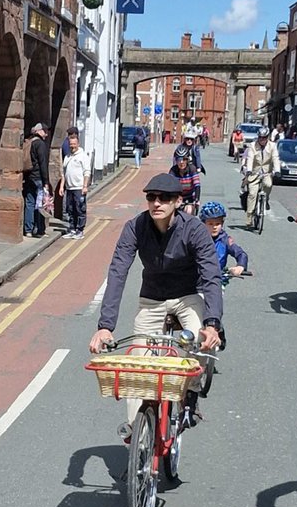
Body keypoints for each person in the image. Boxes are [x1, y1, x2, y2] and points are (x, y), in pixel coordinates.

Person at [89, 173, 223, 434]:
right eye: (151, 197)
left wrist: (212, 324)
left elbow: (211, 275)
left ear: (178, 201)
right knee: (140, 368)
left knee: (199, 340)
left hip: (187, 296)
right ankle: (136, 434)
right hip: (152, 300)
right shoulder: (135, 227)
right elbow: (118, 271)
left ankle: (190, 393)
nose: (157, 203)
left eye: (165, 198)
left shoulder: (194, 229)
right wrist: (105, 326)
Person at [198, 200, 248, 352]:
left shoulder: (225, 240)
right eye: (210, 223)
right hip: (196, 281)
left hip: (217, 281)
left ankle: (219, 331)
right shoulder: (196, 238)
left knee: (213, 307)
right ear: (203, 223)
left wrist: (240, 266)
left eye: (218, 223)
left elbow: (241, 254)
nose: (214, 227)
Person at [240, 126, 280, 228]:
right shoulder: (252, 146)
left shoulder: (272, 146)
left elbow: (275, 158)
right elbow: (250, 158)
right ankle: (249, 217)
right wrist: (249, 170)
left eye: (264, 137)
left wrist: (277, 170)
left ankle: (265, 200)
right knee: (252, 194)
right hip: (254, 173)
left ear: (267, 137)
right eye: (260, 137)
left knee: (268, 184)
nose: (262, 140)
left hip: (266, 172)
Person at [60, 126, 92, 238]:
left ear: (78, 144)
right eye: (71, 144)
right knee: (70, 210)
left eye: (74, 144)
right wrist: (62, 186)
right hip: (69, 188)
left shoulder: (83, 156)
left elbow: (87, 172)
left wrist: (85, 186)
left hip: (79, 188)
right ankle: (72, 229)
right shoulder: (67, 157)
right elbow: (64, 173)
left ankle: (80, 231)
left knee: (80, 209)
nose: (72, 146)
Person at [22, 122, 51, 238]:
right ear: (39, 131)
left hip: (29, 177)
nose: (46, 134)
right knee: (40, 204)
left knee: (30, 203)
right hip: (38, 178)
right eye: (45, 131)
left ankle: (28, 230)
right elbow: (43, 163)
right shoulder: (40, 144)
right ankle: (39, 230)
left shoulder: (29, 142)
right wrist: (46, 181)